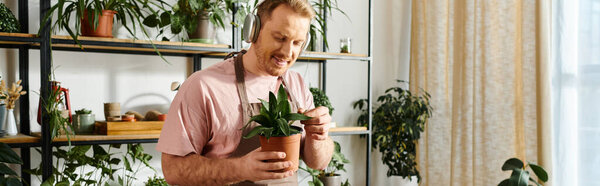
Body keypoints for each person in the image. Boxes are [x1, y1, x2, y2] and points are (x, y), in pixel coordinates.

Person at [156, 0, 334, 185]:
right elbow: (173, 170)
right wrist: (241, 169)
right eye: (280, 38)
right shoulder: (203, 86)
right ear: (253, 31)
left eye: (297, 43)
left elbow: (318, 162)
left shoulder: (296, 83)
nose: (288, 52)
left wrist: (318, 137)